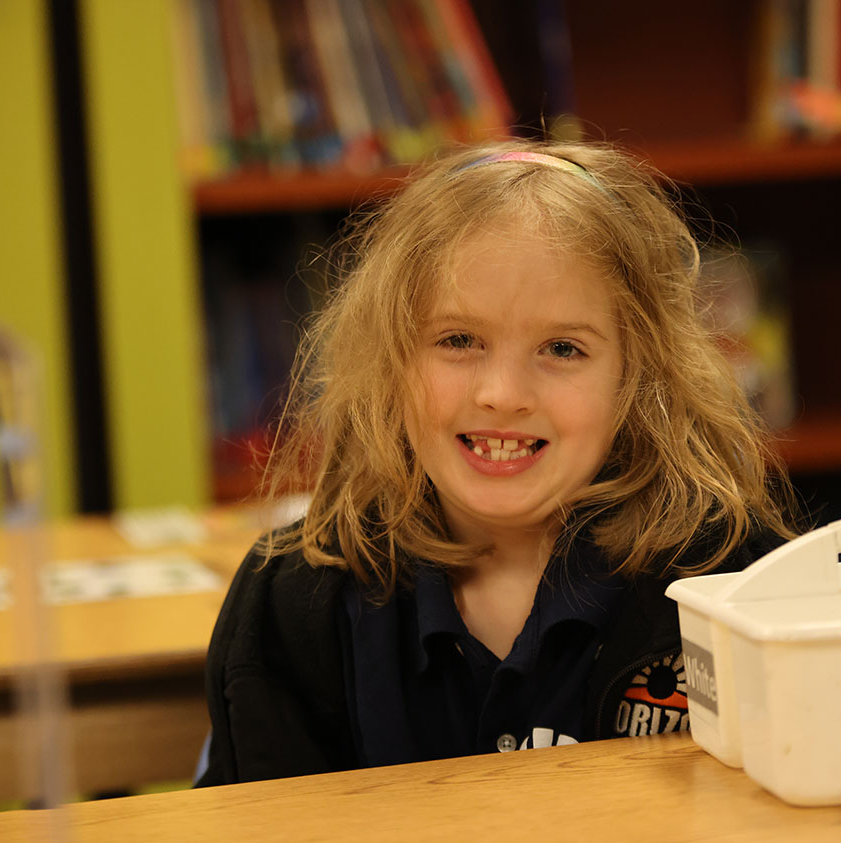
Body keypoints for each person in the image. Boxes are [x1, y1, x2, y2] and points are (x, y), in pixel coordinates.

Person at [197, 141, 797, 786]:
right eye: (458, 340)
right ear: (390, 360)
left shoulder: (739, 583)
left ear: (638, 375)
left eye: (562, 349)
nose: (503, 394)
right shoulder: (294, 602)